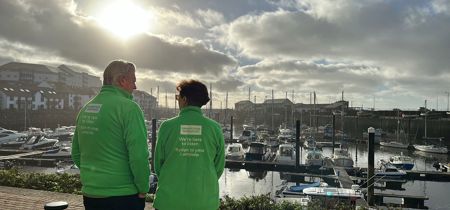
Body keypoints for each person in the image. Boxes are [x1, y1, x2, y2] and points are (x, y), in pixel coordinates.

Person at [71, 60, 150, 210]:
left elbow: (75, 152)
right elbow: (139, 155)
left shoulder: (86, 108)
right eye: (133, 81)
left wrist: (96, 179)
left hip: (91, 195)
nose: (135, 86)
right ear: (122, 81)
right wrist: (143, 188)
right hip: (123, 196)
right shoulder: (129, 109)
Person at [153, 80, 225, 210]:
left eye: (177, 97)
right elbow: (219, 167)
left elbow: (158, 164)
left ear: (184, 99)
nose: (177, 100)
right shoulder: (215, 128)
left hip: (169, 201)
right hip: (204, 202)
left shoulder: (167, 127)